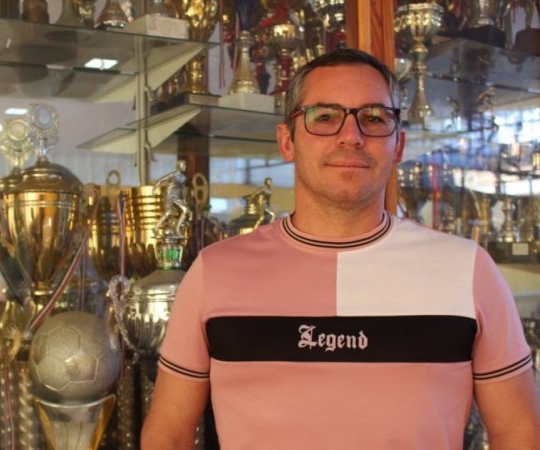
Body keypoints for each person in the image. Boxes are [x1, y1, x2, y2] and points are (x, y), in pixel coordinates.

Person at [140, 48, 540, 449]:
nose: (351, 136)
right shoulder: (215, 272)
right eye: (325, 117)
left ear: (398, 145)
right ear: (287, 141)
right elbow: (168, 434)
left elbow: (518, 433)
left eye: (374, 118)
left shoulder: (467, 269)